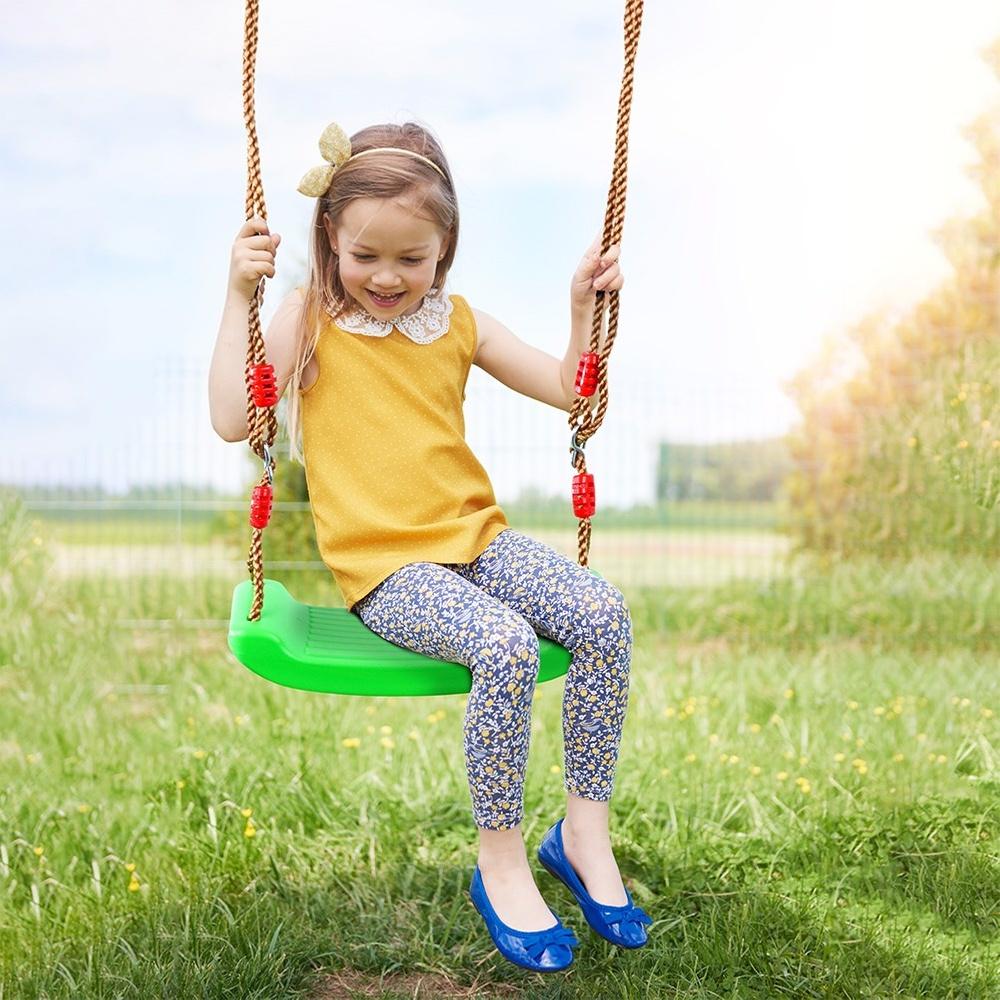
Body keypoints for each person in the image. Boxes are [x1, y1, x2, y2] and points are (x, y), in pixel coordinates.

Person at [208, 120, 650, 971]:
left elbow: (571, 391)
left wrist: (581, 311)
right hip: (387, 570)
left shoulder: (458, 324)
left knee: (600, 613)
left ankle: (583, 833)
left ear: (443, 252)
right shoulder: (309, 321)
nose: (386, 277)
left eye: (412, 260)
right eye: (366, 254)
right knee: (504, 642)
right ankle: (501, 855)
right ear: (330, 238)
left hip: (477, 540)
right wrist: (239, 296)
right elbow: (235, 416)